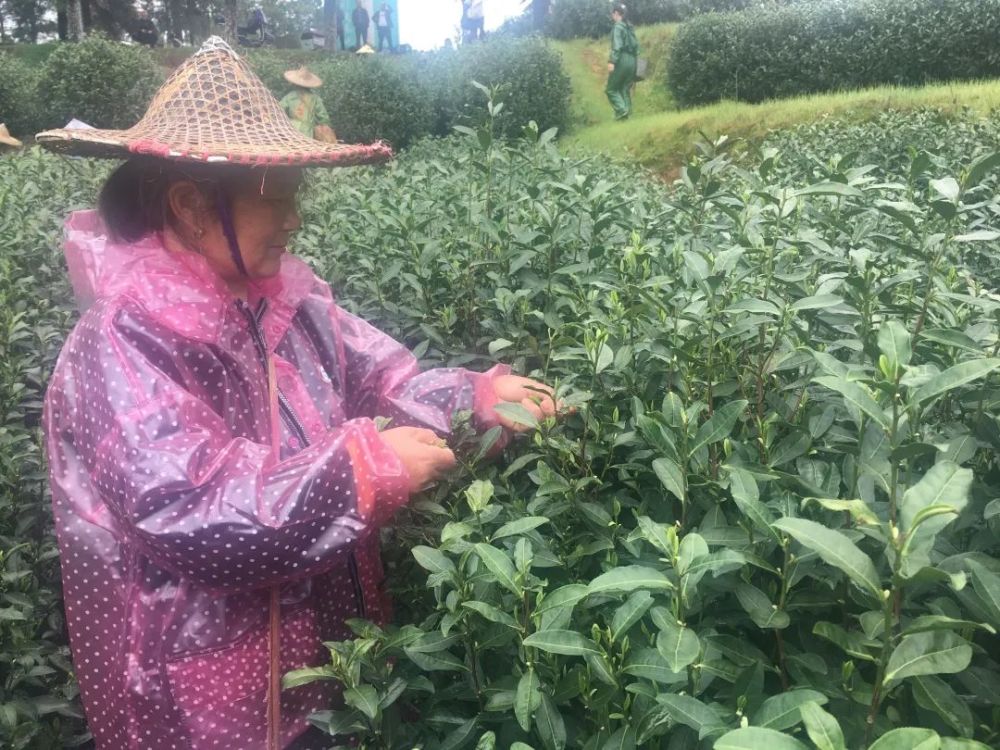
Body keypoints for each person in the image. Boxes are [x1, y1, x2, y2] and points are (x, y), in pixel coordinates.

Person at [36, 37, 562, 750]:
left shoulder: (286, 302)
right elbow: (187, 508)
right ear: (192, 206)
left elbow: (385, 380)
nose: (294, 218)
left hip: (323, 654)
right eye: (276, 198)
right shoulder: (123, 341)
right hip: (202, 684)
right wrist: (363, 472)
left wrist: (474, 397)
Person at [280, 66, 337, 143]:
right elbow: (324, 118)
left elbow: (279, 111)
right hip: (307, 131)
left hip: (291, 131)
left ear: (294, 83)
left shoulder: (289, 97)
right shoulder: (315, 98)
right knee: (306, 152)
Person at [606, 2, 639, 121]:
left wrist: (612, 61)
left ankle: (622, 111)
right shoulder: (630, 27)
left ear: (616, 13)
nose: (612, 16)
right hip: (632, 60)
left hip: (622, 59)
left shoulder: (618, 26)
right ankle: (628, 115)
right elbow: (637, 47)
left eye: (612, 13)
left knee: (611, 89)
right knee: (624, 89)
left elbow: (617, 46)